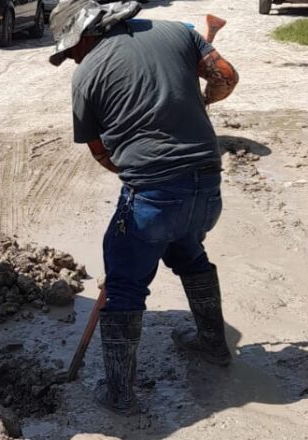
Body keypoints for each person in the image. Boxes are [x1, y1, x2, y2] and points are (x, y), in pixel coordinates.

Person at [49, 0, 240, 415]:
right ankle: (214, 345)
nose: (72, 60)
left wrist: (143, 171)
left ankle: (119, 392)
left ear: (86, 34)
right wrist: (205, 100)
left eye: (71, 50)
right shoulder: (179, 31)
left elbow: (101, 153)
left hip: (154, 194)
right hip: (208, 188)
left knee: (123, 281)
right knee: (187, 250)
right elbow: (225, 77)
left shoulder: (87, 75)